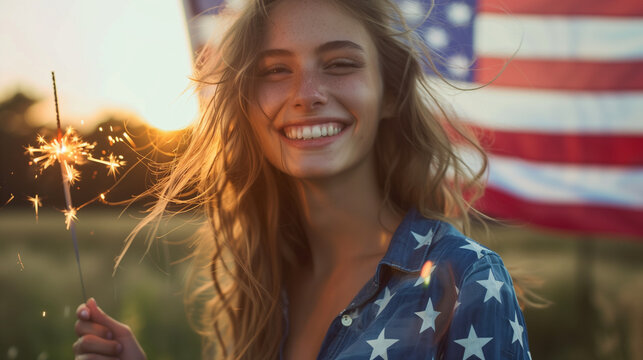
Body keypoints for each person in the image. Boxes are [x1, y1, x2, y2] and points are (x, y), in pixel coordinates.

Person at [73, 0, 532, 359]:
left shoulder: (466, 277)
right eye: (275, 70)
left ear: (390, 92)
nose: (307, 95)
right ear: (247, 104)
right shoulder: (261, 285)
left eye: (340, 64)